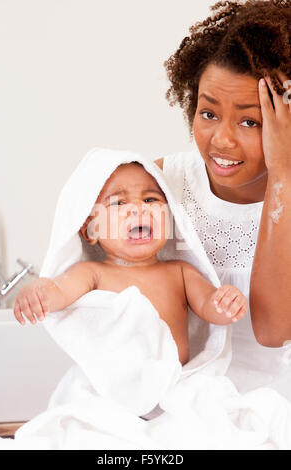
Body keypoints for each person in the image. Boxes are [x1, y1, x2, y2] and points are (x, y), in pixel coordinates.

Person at [155, 0, 291, 395]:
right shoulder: (162, 183)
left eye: (251, 121)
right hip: (182, 404)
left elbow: (272, 329)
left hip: (273, 409)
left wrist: (283, 173)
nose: (222, 140)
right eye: (208, 113)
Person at [13, 161, 247, 365]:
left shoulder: (181, 272)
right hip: (119, 394)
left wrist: (225, 303)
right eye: (118, 203)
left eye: (150, 199)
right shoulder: (92, 273)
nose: (138, 208)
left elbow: (209, 307)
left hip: (175, 387)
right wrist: (37, 292)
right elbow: (58, 291)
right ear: (90, 230)